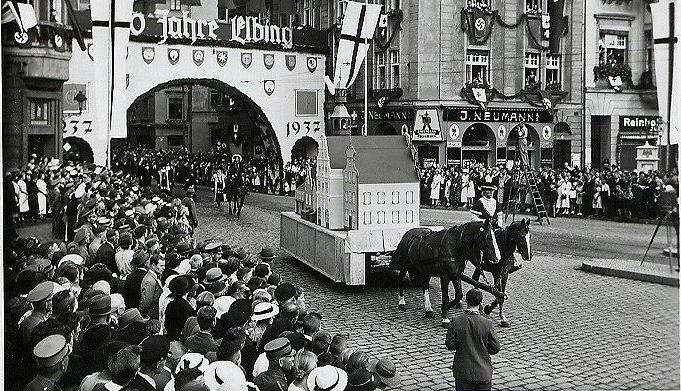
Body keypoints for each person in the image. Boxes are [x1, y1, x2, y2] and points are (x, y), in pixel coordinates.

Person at [445, 288, 500, 391]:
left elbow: (450, 344)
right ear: (481, 303)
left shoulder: (455, 321)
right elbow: (495, 348)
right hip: (483, 373)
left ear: (466, 301)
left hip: (463, 372)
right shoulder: (487, 323)